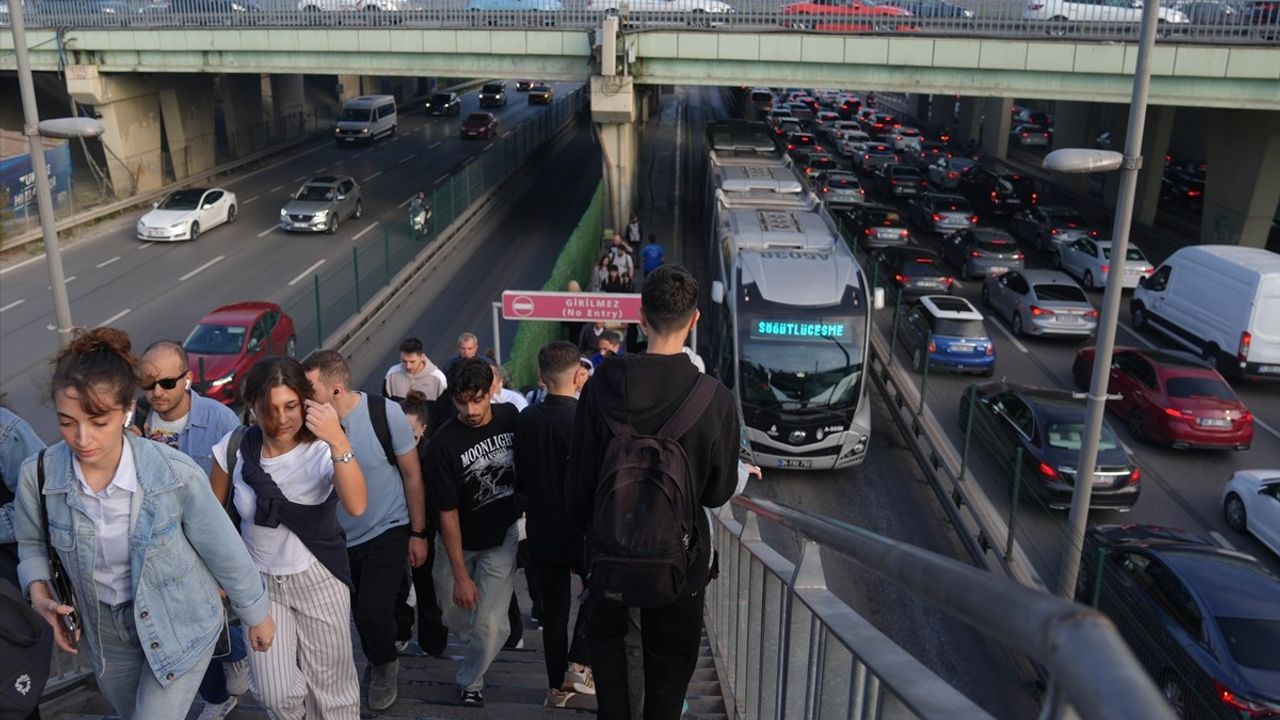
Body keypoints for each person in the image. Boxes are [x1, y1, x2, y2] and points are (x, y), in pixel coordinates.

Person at [15, 328, 276, 720]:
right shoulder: (38, 475)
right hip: (106, 638)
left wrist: (256, 612)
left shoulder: (174, 473)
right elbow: (32, 542)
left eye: (98, 421)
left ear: (126, 413)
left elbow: (222, 545)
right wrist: (38, 591)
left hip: (179, 621)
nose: (82, 438)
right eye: (67, 423)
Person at [566, 266, 740, 720]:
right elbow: (718, 492)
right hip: (680, 561)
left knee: (610, 652)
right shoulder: (714, 398)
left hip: (608, 552)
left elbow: (579, 482)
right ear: (696, 319)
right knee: (670, 666)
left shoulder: (600, 385)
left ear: (640, 317)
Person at [209, 356, 367, 720]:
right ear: (252, 407)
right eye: (269, 409)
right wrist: (218, 574)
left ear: (305, 401)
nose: (281, 419)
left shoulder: (323, 448)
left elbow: (357, 504)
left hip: (318, 578)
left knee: (332, 690)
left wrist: (337, 438)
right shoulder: (233, 448)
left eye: (290, 406)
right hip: (259, 584)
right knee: (273, 692)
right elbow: (211, 521)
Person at [301, 350, 429, 712]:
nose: (302, 394)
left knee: (372, 613)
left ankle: (385, 664)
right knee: (359, 617)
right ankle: (378, 651)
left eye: (309, 387)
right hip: (336, 541)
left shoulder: (384, 414)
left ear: (335, 390)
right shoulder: (305, 425)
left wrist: (418, 532)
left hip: (387, 528)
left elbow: (412, 474)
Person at [134, 341, 250, 720]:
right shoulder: (133, 422)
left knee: (216, 625)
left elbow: (243, 490)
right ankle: (217, 697)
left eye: (167, 383)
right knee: (178, 633)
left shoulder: (220, 421)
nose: (157, 393)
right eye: (148, 383)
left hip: (211, 548)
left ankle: (237, 653)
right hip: (160, 552)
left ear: (187, 379)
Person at [424, 358, 520, 708]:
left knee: (490, 626)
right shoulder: (443, 444)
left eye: (477, 399)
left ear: (491, 390)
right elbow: (447, 514)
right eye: (462, 401)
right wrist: (462, 577)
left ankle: (470, 681)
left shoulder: (511, 417)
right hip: (456, 543)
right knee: (454, 615)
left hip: (500, 540)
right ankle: (484, 631)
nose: (471, 409)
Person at [514, 342, 595, 708]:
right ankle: (579, 661)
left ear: (541, 378)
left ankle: (556, 689)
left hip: (543, 530)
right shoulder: (587, 420)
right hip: (583, 531)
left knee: (554, 610)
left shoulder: (527, 419)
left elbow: (521, 478)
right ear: (578, 376)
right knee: (598, 593)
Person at [395, 392, 449, 658]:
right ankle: (401, 631)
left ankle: (433, 641)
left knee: (427, 587)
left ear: (424, 429)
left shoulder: (432, 454)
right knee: (396, 585)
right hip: (395, 527)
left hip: (425, 529)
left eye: (412, 433)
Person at [383, 337, 448, 403]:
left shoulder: (438, 378)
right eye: (404, 361)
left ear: (422, 357)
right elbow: (384, 403)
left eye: (412, 361)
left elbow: (445, 409)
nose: (408, 366)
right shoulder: (392, 374)